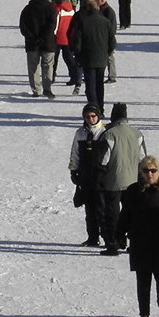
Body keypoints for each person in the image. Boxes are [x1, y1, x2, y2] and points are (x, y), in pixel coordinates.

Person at [118, 155, 159, 317]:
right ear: (141, 172)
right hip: (140, 243)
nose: (150, 174)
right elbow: (125, 215)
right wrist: (120, 235)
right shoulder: (133, 191)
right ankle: (144, 315)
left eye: (153, 171)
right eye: (146, 171)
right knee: (143, 281)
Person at [99, 103, 146, 255]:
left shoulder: (110, 134)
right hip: (133, 181)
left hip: (113, 181)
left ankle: (114, 243)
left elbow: (103, 161)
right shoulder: (137, 134)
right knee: (132, 213)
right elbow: (143, 159)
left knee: (112, 214)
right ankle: (134, 243)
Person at [67, 104, 107, 245]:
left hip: (100, 174)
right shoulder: (80, 133)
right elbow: (75, 152)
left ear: (98, 116)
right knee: (89, 209)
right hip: (85, 174)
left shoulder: (104, 132)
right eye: (87, 116)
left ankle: (107, 237)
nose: (90, 119)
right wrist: (73, 169)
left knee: (102, 208)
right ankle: (92, 237)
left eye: (93, 116)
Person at [72, 0, 114, 111]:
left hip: (88, 58)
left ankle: (94, 108)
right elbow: (112, 41)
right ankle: (100, 107)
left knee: (90, 85)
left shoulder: (83, 22)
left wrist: (78, 56)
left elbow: (77, 42)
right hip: (102, 58)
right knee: (99, 84)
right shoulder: (105, 22)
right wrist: (107, 53)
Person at [20, 0, 57, 98]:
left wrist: (32, 37)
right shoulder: (50, 8)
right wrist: (44, 37)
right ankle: (47, 88)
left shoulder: (27, 9)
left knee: (33, 67)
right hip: (48, 42)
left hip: (32, 43)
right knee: (48, 66)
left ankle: (36, 90)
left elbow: (23, 27)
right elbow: (52, 25)